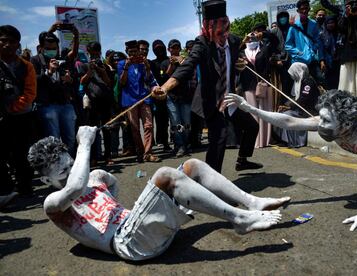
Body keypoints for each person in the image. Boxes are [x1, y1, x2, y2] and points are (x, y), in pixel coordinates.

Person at [27, 125, 290, 261]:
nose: (72, 172)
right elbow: (72, 189)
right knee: (165, 174)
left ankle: (251, 202)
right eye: (62, 172)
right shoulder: (52, 205)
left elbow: (112, 187)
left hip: (141, 227)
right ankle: (241, 220)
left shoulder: (95, 176)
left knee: (192, 166)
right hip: (131, 245)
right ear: (44, 179)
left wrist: (121, 211)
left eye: (72, 164)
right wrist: (84, 144)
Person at [225, 90, 357, 233]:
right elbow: (289, 122)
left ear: (346, 125)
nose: (319, 123)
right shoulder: (334, 122)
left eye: (325, 120)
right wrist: (249, 108)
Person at [152, 0, 262, 173]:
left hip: (230, 98)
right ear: (209, 29)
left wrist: (239, 63)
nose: (223, 37)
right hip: (211, 100)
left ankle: (242, 160)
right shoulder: (202, 44)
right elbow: (187, 66)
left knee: (252, 126)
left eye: (226, 31)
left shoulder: (233, 41)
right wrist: (165, 87)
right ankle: (211, 183)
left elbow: (238, 57)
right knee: (220, 137)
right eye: (219, 33)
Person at [0, 25, 37, 206]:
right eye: (3, 40)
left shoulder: (26, 66)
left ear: (18, 44)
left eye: (11, 41)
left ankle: (26, 189)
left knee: (21, 154)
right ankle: (6, 190)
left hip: (21, 117)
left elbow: (30, 92)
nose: (7, 45)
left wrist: (12, 108)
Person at [31, 22, 79, 156]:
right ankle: (57, 168)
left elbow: (73, 54)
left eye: (54, 48)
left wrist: (69, 79)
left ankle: (71, 165)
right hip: (47, 106)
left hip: (64, 104)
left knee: (70, 138)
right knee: (54, 139)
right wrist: (48, 73)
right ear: (41, 48)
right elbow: (33, 80)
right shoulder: (35, 61)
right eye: (48, 48)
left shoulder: (61, 59)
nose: (52, 50)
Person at [118, 40, 160, 163]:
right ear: (126, 52)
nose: (133, 55)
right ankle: (140, 152)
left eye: (135, 52)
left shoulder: (143, 63)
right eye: (130, 52)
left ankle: (148, 153)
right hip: (130, 100)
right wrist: (126, 67)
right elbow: (122, 82)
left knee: (148, 125)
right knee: (135, 128)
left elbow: (148, 80)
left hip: (144, 98)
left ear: (138, 51)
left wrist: (147, 67)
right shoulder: (121, 64)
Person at [239, 25, 281, 148]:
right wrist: (243, 41)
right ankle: (254, 140)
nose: (252, 38)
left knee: (265, 112)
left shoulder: (264, 49)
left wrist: (264, 33)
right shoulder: (241, 52)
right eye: (250, 36)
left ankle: (266, 140)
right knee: (253, 113)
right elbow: (232, 53)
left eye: (254, 36)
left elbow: (275, 41)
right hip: (248, 86)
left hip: (264, 84)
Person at [78, 41, 114, 166]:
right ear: (88, 53)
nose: (94, 57)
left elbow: (109, 83)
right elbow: (82, 82)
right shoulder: (83, 66)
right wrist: (90, 71)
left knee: (106, 129)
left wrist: (100, 69)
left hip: (105, 102)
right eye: (92, 55)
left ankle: (108, 156)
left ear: (100, 52)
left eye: (96, 54)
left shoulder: (106, 66)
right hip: (92, 103)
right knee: (92, 131)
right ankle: (93, 158)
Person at [273, 62, 319, 148]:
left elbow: (303, 99)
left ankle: (293, 141)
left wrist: (289, 107)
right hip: (300, 109)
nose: (292, 76)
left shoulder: (308, 82)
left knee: (287, 115)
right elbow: (296, 98)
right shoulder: (300, 81)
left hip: (307, 112)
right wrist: (286, 105)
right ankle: (283, 139)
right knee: (280, 113)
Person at [161, 39, 192, 157]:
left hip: (185, 96)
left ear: (180, 49)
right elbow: (165, 77)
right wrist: (171, 64)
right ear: (169, 49)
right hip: (172, 97)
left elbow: (190, 73)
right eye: (172, 48)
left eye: (177, 47)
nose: (174, 50)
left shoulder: (186, 61)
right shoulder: (164, 62)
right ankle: (179, 145)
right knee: (175, 123)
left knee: (186, 123)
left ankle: (186, 144)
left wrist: (182, 61)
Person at [285, 0, 322, 85]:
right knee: (302, 86)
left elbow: (318, 40)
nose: (304, 11)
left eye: (306, 8)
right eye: (302, 9)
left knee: (320, 80)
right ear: (298, 11)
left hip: (312, 59)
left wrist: (313, 49)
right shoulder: (293, 26)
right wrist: (298, 53)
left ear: (309, 9)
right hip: (299, 61)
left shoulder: (314, 23)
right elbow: (288, 45)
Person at [150, 40, 172, 152]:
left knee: (173, 119)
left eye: (161, 48)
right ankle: (164, 142)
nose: (159, 51)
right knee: (161, 121)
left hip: (172, 93)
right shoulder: (152, 63)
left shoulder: (170, 60)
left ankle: (176, 141)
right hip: (158, 96)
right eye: (156, 49)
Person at [318, 15, 341, 90]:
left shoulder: (340, 34)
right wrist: (322, 61)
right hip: (328, 64)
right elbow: (321, 50)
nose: (331, 25)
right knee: (330, 84)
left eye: (332, 22)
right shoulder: (322, 35)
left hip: (339, 63)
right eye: (328, 23)